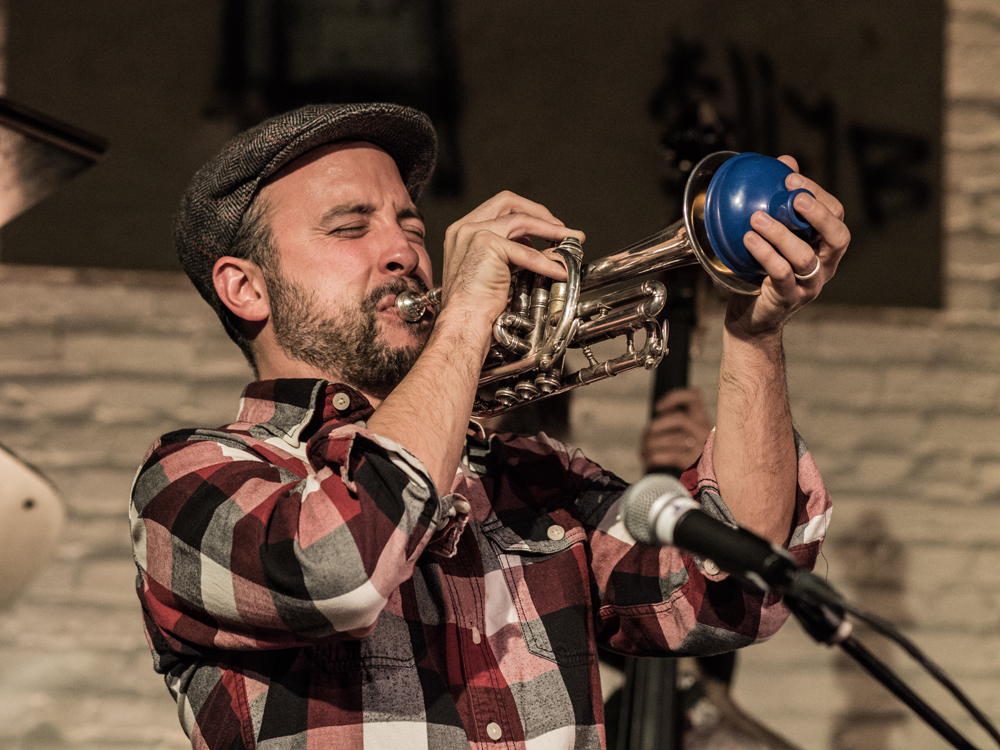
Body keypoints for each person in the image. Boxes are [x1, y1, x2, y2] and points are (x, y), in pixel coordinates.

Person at [130, 102, 846, 749]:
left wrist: (755, 337)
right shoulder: (189, 479)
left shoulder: (534, 476)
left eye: (411, 225)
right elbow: (338, 571)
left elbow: (734, 592)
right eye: (351, 226)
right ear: (245, 287)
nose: (405, 253)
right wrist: (468, 316)